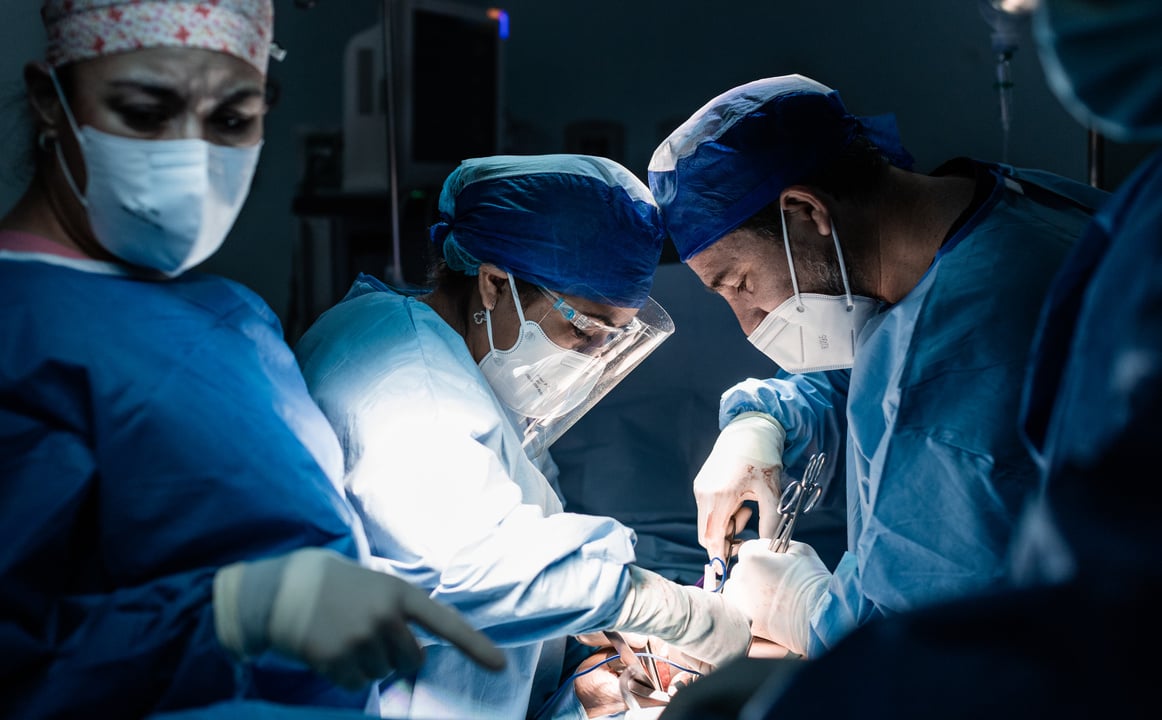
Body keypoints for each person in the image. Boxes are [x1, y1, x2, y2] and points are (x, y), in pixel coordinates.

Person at [0, 2, 504, 717]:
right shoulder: (21, 327)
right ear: (49, 100)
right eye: (145, 112)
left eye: (232, 120)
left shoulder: (229, 310)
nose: (191, 154)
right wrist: (235, 614)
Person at [659, 2, 1162, 716]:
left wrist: (806, 606)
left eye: (738, 284)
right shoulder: (996, 206)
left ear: (808, 212)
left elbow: (920, 625)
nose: (746, 322)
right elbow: (862, 370)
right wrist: (762, 424)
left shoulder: (961, 357)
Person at [294, 154, 753, 720]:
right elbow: (474, 573)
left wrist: (585, 693)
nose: (590, 359)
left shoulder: (459, 371)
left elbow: (488, 616)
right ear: (493, 284)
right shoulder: (411, 385)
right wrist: (663, 607)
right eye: (583, 329)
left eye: (612, 339)